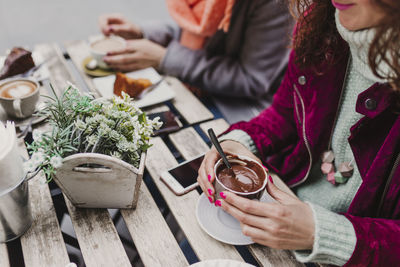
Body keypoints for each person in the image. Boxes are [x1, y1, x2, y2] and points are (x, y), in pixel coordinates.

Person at [197, 0, 400, 265]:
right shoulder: (322, 23)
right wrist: (238, 141)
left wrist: (325, 234)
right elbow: (285, 114)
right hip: (281, 202)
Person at [98, 0, 293, 123]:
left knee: (137, 139)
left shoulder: (275, 4)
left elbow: (252, 80)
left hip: (237, 109)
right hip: (192, 84)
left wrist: (164, 58)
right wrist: (142, 32)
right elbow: (193, 32)